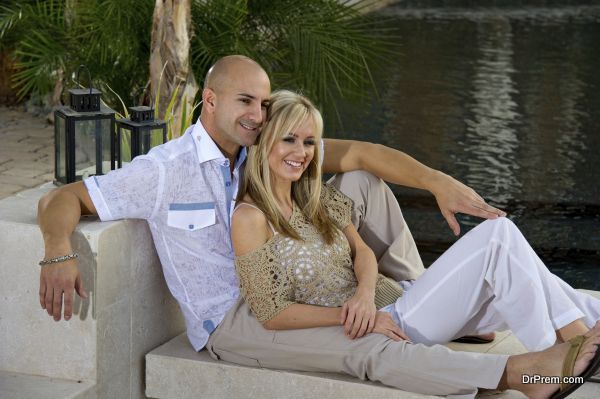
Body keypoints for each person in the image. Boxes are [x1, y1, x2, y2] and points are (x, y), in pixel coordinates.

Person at [35, 55, 597, 398]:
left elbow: (365, 155)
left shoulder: (265, 149)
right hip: (234, 318)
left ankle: (567, 338)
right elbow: (65, 197)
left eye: (263, 101)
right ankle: (537, 369)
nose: (257, 112)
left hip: (300, 282)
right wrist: (58, 250)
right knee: (367, 348)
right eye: (245, 101)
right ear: (209, 101)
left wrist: (438, 182)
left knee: (361, 184)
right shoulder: (164, 172)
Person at [230, 89, 600, 399]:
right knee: (498, 239)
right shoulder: (250, 217)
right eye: (290, 139)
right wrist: (360, 316)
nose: (303, 152)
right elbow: (271, 313)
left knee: (534, 280)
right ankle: (563, 352)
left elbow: (362, 252)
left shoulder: (312, 196)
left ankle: (582, 335)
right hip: (393, 321)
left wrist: (364, 292)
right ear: (263, 142)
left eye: (310, 141)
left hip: (399, 298)